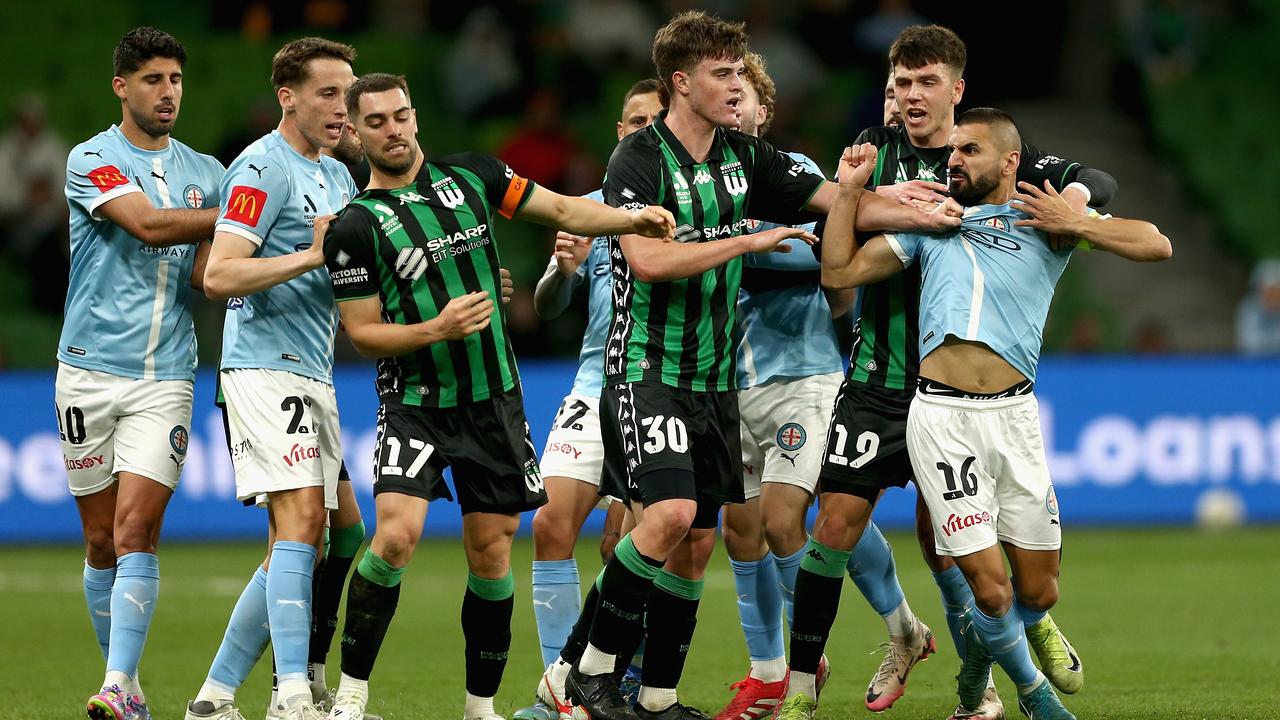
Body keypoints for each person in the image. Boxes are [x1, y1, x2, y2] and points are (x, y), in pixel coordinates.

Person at [560, 12, 962, 720]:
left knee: (697, 534)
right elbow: (648, 261)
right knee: (668, 517)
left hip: (719, 381)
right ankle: (583, 671)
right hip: (649, 368)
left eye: (740, 72)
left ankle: (654, 698)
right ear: (682, 83)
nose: (735, 84)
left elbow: (843, 204)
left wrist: (906, 202)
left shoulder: (746, 160)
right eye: (722, 74)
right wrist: (744, 245)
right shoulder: (639, 160)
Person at [780, 24, 1117, 720]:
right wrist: (862, 198)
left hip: (958, 393)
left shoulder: (989, 157)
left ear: (957, 92)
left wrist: (1072, 206)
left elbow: (1096, 179)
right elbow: (833, 254)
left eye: (927, 82)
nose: (912, 96)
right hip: (878, 376)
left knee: (948, 548)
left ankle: (1003, 656)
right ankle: (801, 685)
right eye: (901, 83)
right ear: (887, 91)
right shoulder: (872, 156)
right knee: (833, 525)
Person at [319, 72, 675, 720]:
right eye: (376, 122)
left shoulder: (474, 177)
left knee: (491, 551)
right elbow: (363, 332)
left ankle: (479, 708)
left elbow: (563, 209)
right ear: (357, 132)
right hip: (416, 401)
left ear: (416, 116)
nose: (393, 130)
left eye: (400, 115)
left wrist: (632, 216)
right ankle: (349, 698)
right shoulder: (353, 228)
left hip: (494, 401)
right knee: (395, 538)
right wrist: (438, 327)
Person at [816, 108, 1170, 720]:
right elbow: (839, 271)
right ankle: (1036, 698)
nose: (952, 160)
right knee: (988, 584)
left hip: (1014, 418)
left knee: (1038, 589)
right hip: (942, 418)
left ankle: (983, 661)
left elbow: (1156, 244)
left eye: (969, 151)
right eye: (952, 151)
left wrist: (1078, 218)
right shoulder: (930, 223)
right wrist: (848, 194)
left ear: (1010, 162)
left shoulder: (1044, 223)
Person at [714, 52, 923, 720]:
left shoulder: (796, 174)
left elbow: (825, 250)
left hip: (806, 375)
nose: (733, 105)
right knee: (787, 524)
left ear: (764, 110)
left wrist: (735, 244)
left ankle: (806, 662)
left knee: (787, 519)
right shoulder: (700, 184)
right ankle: (901, 629)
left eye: (744, 96)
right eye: (724, 93)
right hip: (733, 383)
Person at [183, 37, 359, 720]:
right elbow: (220, 273)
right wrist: (310, 255)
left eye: (347, 93)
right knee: (303, 524)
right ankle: (292, 695)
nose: (341, 108)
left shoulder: (338, 176)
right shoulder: (262, 166)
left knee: (343, 532)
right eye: (326, 93)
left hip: (313, 370)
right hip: (261, 366)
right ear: (288, 96)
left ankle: (214, 697)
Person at [58, 26, 224, 720]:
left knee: (135, 530)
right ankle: (124, 683)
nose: (167, 93)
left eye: (176, 81)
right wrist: (246, 214)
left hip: (166, 378)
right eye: (153, 80)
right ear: (122, 86)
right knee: (99, 541)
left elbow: (216, 275)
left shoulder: (208, 171)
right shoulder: (90, 158)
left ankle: (120, 684)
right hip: (86, 374)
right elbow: (151, 227)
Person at [514, 78, 665, 720]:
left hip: (657, 386)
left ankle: (616, 677)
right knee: (551, 523)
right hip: (590, 382)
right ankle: (563, 691)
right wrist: (563, 270)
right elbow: (549, 307)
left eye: (654, 121)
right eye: (632, 120)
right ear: (618, 130)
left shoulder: (692, 203)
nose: (641, 130)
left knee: (625, 546)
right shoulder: (589, 208)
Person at [1236, 258, 1280, 354]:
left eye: (1276, 291)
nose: (1272, 296)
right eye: (1268, 291)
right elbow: (1249, 343)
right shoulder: (1249, 309)